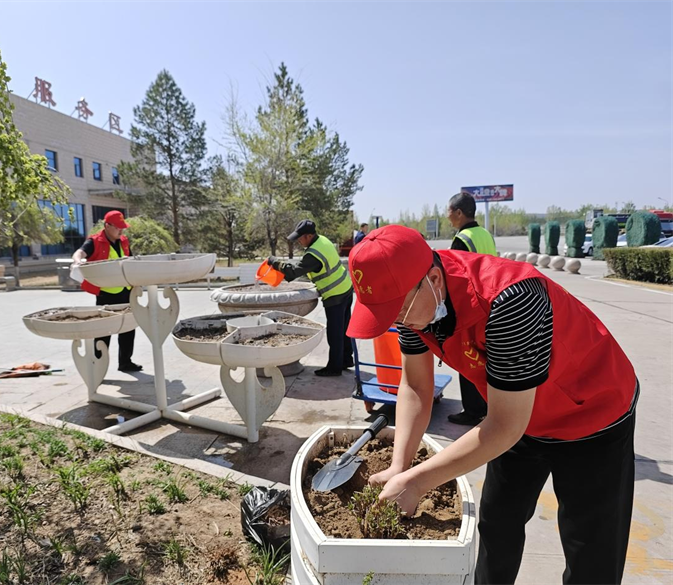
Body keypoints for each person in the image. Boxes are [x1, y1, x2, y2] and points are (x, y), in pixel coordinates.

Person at [347, 225, 637, 585]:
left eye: (398, 311)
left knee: (591, 548)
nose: (395, 322)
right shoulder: (414, 301)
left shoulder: (510, 300)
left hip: (591, 414)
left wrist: (418, 483)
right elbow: (416, 386)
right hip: (517, 416)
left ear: (434, 279)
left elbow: (504, 426)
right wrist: (399, 466)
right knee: (498, 521)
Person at [268, 219, 354, 376]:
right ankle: (346, 360)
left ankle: (334, 368)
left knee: (335, 334)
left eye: (300, 238)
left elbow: (292, 273)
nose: (299, 241)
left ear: (308, 236)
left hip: (334, 294)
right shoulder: (323, 240)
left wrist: (274, 262)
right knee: (345, 330)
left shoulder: (313, 255)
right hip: (346, 288)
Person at [445, 192, 498, 426]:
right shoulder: (484, 233)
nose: (447, 217)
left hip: (472, 306)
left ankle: (473, 410)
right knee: (489, 358)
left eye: (449, 211)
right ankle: (488, 404)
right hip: (493, 300)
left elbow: (455, 277)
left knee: (468, 357)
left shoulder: (462, 239)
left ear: (458, 213)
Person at [72, 211, 142, 372]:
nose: (122, 231)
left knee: (128, 327)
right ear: (107, 226)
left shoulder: (123, 240)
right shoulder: (95, 241)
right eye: (118, 228)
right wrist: (78, 262)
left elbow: (130, 260)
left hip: (126, 290)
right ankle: (97, 365)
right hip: (106, 294)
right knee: (104, 330)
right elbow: (79, 253)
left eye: (123, 228)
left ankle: (125, 362)